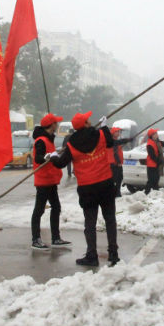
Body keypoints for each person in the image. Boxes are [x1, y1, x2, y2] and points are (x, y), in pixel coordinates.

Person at [50, 111, 118, 267]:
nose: (90, 121)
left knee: (90, 223)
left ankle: (92, 255)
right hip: (105, 185)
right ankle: (113, 254)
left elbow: (61, 163)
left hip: (88, 189)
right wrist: (105, 127)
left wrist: (52, 156)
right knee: (110, 220)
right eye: (88, 120)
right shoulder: (100, 135)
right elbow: (110, 142)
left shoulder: (72, 145)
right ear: (86, 124)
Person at [30, 113, 71, 250]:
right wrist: (48, 156)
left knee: (56, 207)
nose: (58, 124)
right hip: (43, 181)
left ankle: (56, 238)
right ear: (52, 125)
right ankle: (36, 239)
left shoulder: (49, 139)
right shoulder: (41, 140)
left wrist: (54, 154)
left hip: (51, 180)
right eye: (56, 122)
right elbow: (38, 158)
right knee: (39, 210)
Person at [144, 129, 164, 194]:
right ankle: (146, 193)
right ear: (151, 136)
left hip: (156, 164)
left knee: (156, 180)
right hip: (151, 165)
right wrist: (159, 161)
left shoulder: (157, 142)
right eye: (155, 134)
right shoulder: (150, 144)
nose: (157, 135)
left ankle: (155, 193)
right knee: (151, 180)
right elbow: (152, 156)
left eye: (156, 133)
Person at [110, 127, 132, 197]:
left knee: (119, 178)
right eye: (117, 132)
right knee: (117, 179)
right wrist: (118, 162)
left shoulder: (115, 140)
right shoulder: (113, 141)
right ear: (113, 133)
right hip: (115, 164)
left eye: (119, 132)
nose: (118, 133)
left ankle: (117, 192)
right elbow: (115, 153)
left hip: (116, 163)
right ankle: (116, 193)